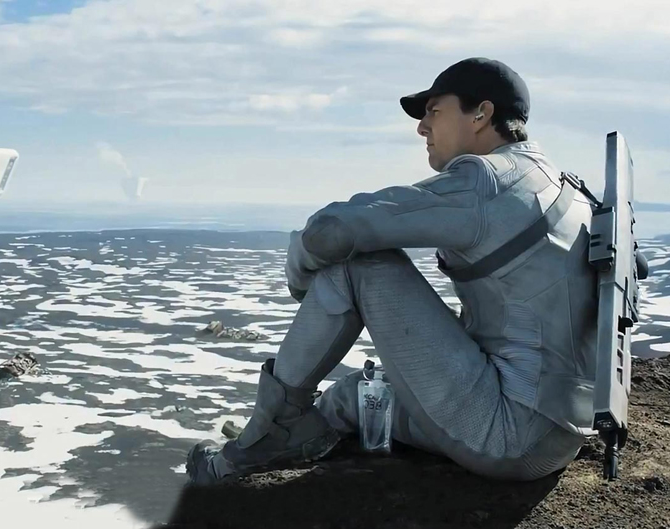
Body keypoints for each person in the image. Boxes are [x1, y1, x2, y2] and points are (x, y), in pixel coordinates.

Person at [187, 57, 598, 485]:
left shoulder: (490, 181)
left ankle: (258, 443)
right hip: (559, 432)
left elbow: (332, 230)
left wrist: (300, 277)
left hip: (506, 433)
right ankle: (292, 434)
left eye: (434, 111)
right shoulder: (566, 187)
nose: (422, 127)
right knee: (354, 396)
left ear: (482, 114)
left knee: (358, 260)